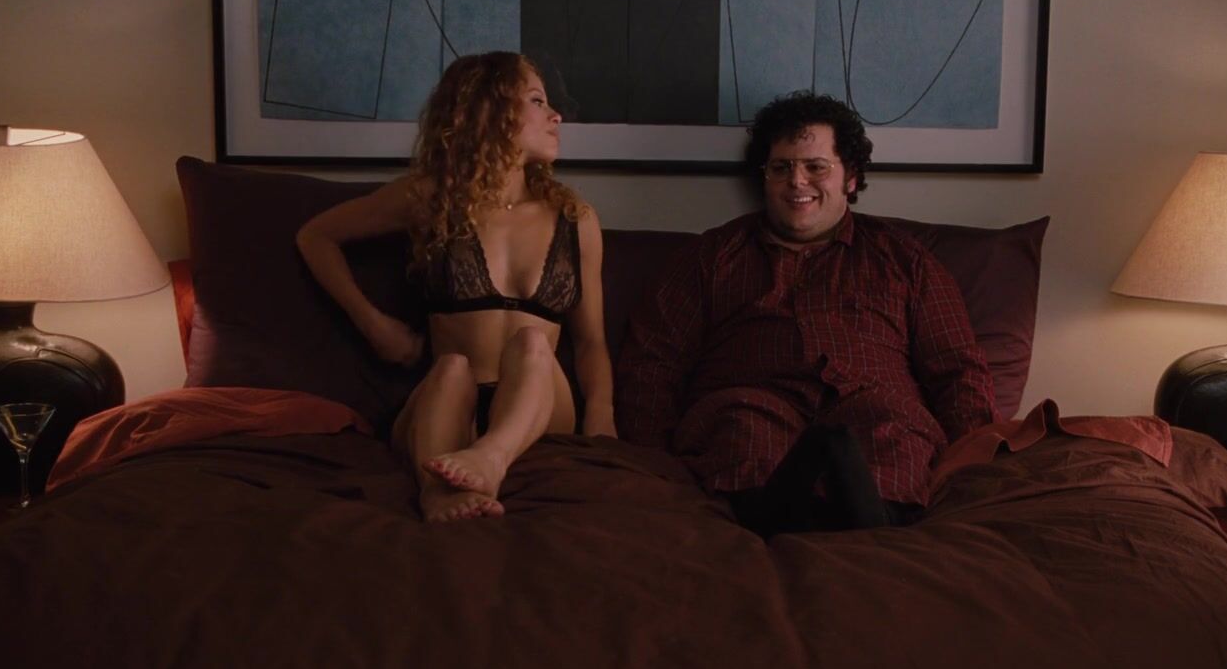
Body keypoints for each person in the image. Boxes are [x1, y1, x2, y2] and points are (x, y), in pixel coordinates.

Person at [615, 91, 997, 536]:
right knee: (743, 429)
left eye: (816, 167)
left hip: (874, 411)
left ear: (850, 177)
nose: (797, 181)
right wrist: (653, 466)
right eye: (781, 168)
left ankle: (868, 535)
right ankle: (786, 536)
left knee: (893, 429)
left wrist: (972, 469)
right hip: (750, 408)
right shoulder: (709, 257)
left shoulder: (906, 261)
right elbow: (652, 363)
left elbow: (958, 370)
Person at [297, 51, 616, 523]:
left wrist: (602, 415)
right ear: (488, 110)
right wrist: (374, 324)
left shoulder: (574, 218)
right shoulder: (431, 198)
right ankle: (438, 493)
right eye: (537, 100)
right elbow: (316, 237)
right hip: (449, 409)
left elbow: (591, 342)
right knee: (451, 367)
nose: (556, 116)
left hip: (536, 410)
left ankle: (491, 457)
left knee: (532, 344)